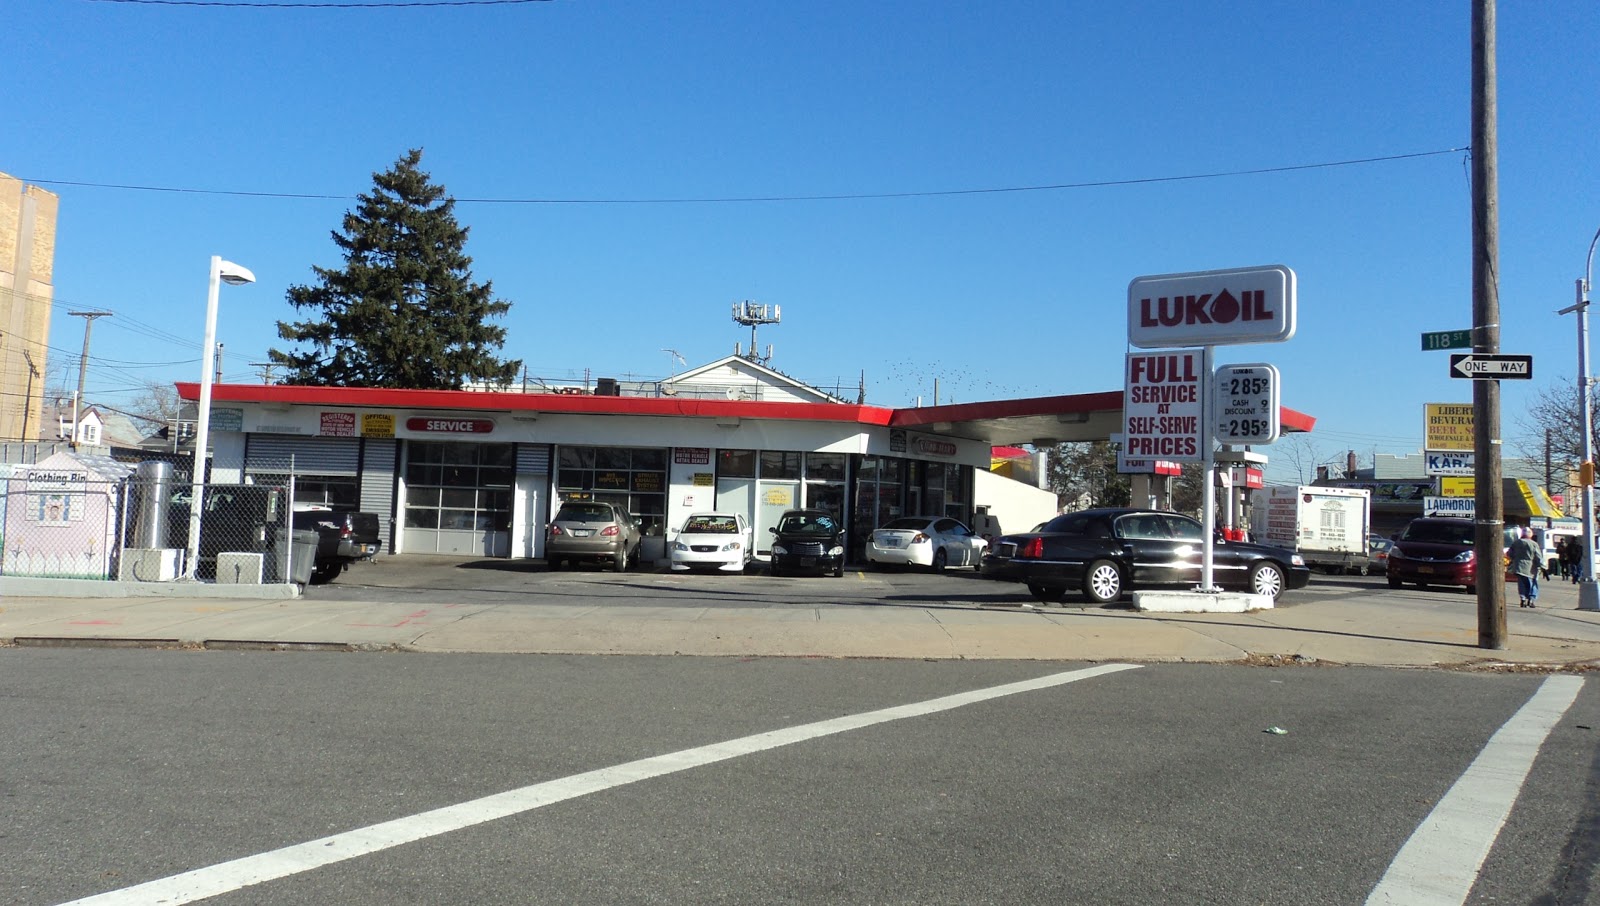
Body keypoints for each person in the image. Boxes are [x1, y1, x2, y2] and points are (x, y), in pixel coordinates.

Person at [1507, 526, 1542, 608]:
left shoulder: (1516, 542)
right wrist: (1542, 566)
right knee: (1532, 584)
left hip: (1518, 566)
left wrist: (1515, 559)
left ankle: (1523, 599)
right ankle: (1531, 600)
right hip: (1531, 567)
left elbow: (1509, 553)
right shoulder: (1534, 544)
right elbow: (1538, 557)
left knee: (1521, 583)